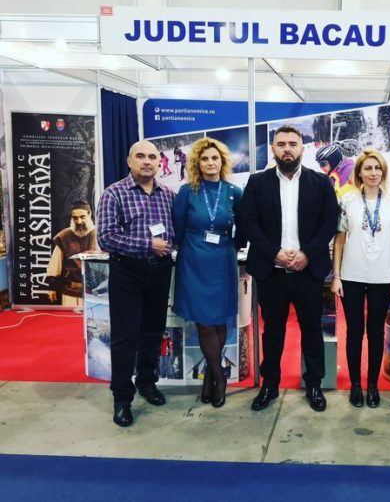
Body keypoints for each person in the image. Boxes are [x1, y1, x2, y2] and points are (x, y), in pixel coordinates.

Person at [239, 125, 339, 412]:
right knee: (272, 332)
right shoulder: (257, 183)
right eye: (281, 144)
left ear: (301, 149)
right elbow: (248, 222)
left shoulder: (320, 183)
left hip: (308, 270)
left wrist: (307, 253)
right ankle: (269, 384)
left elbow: (329, 222)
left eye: (292, 144)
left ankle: (314, 384)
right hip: (271, 271)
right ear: (273, 148)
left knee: (312, 330)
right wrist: (275, 253)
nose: (287, 149)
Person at [97, 140, 175, 427]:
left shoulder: (168, 194)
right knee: (125, 337)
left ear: (159, 162)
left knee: (152, 332)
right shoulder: (113, 193)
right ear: (129, 161)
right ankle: (122, 398)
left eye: (152, 157)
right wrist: (148, 245)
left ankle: (146, 382)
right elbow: (106, 238)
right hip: (127, 272)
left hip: (160, 271)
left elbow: (176, 231)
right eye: (140, 156)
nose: (147, 161)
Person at [172, 137, 244, 409]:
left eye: (215, 158)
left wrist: (233, 247)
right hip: (193, 260)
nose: (210, 163)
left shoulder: (234, 192)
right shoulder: (187, 191)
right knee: (204, 322)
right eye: (205, 159)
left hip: (222, 260)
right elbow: (178, 228)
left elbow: (243, 226)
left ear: (222, 162)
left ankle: (209, 380)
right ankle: (219, 377)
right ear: (197, 163)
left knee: (219, 319)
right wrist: (187, 248)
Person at [332, 149, 390, 408]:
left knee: (376, 332)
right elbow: (339, 240)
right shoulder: (348, 200)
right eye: (368, 168)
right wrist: (337, 276)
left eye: (377, 168)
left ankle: (372, 385)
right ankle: (356, 385)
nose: (373, 173)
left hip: (382, 276)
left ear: (383, 171)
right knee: (354, 331)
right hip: (352, 275)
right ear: (359, 172)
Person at [46, 200, 97, 307]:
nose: (79, 221)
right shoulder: (64, 236)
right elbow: (55, 265)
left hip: (95, 292)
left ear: (89, 214)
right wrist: (52, 287)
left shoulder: (99, 234)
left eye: (82, 217)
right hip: (71, 292)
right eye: (75, 218)